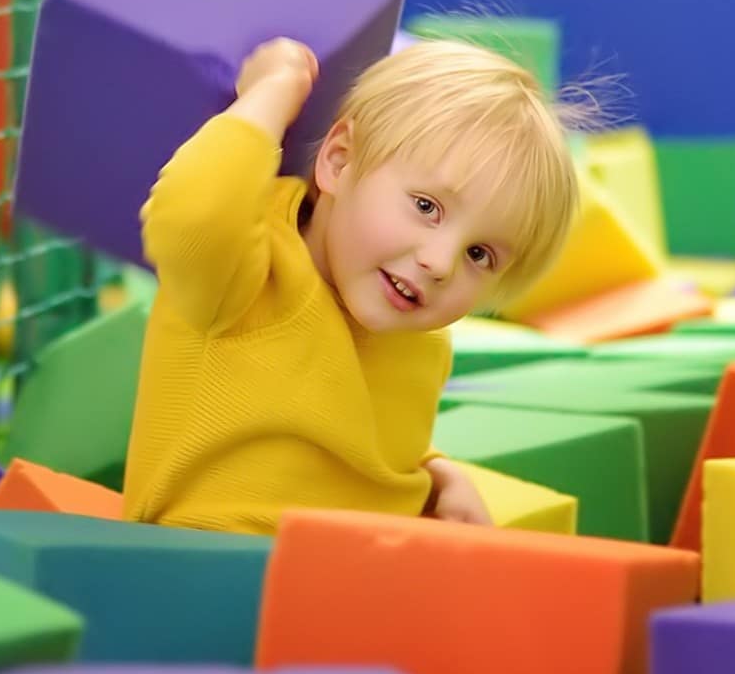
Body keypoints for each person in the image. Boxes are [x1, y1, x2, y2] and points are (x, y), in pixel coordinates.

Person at [122, 35, 581, 536]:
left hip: (349, 581)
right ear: (339, 162)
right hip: (210, 572)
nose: (440, 263)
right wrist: (274, 89)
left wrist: (432, 476)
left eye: (479, 255)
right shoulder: (246, 271)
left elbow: (359, 445)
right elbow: (193, 215)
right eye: (427, 207)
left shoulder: (422, 342)